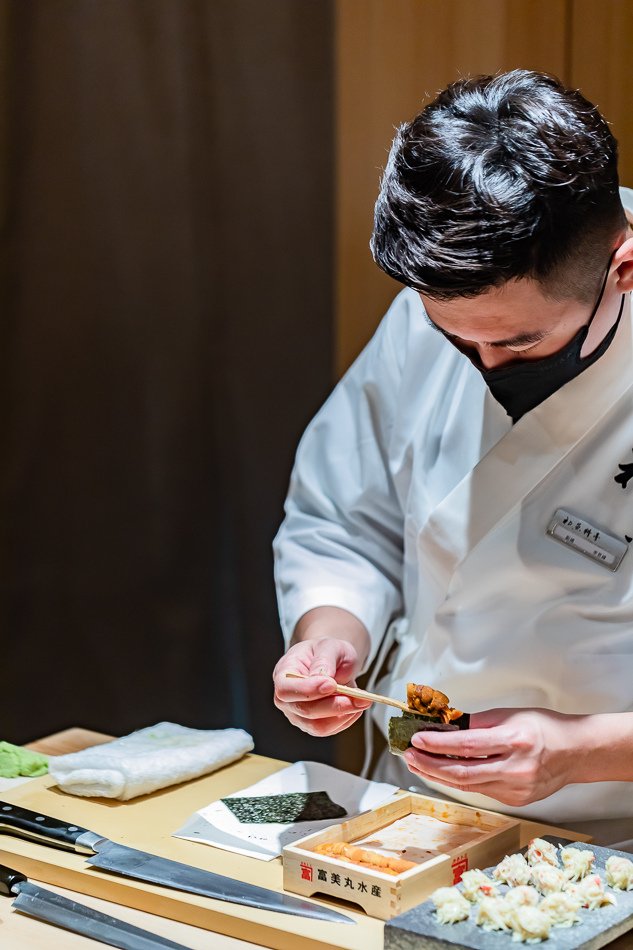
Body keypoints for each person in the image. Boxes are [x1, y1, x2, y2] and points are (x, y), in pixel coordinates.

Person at [272, 70, 633, 849]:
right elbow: (344, 521)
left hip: (614, 834)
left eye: (517, 342)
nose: (481, 363)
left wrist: (584, 752)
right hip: (422, 815)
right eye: (453, 338)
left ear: (622, 267)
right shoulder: (452, 297)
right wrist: (329, 635)